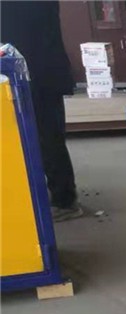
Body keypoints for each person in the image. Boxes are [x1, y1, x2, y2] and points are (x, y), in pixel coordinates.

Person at [1, 0, 82, 220]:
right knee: (44, 137)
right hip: (36, 73)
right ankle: (57, 195)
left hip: (39, 76)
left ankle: (65, 201)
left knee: (48, 137)